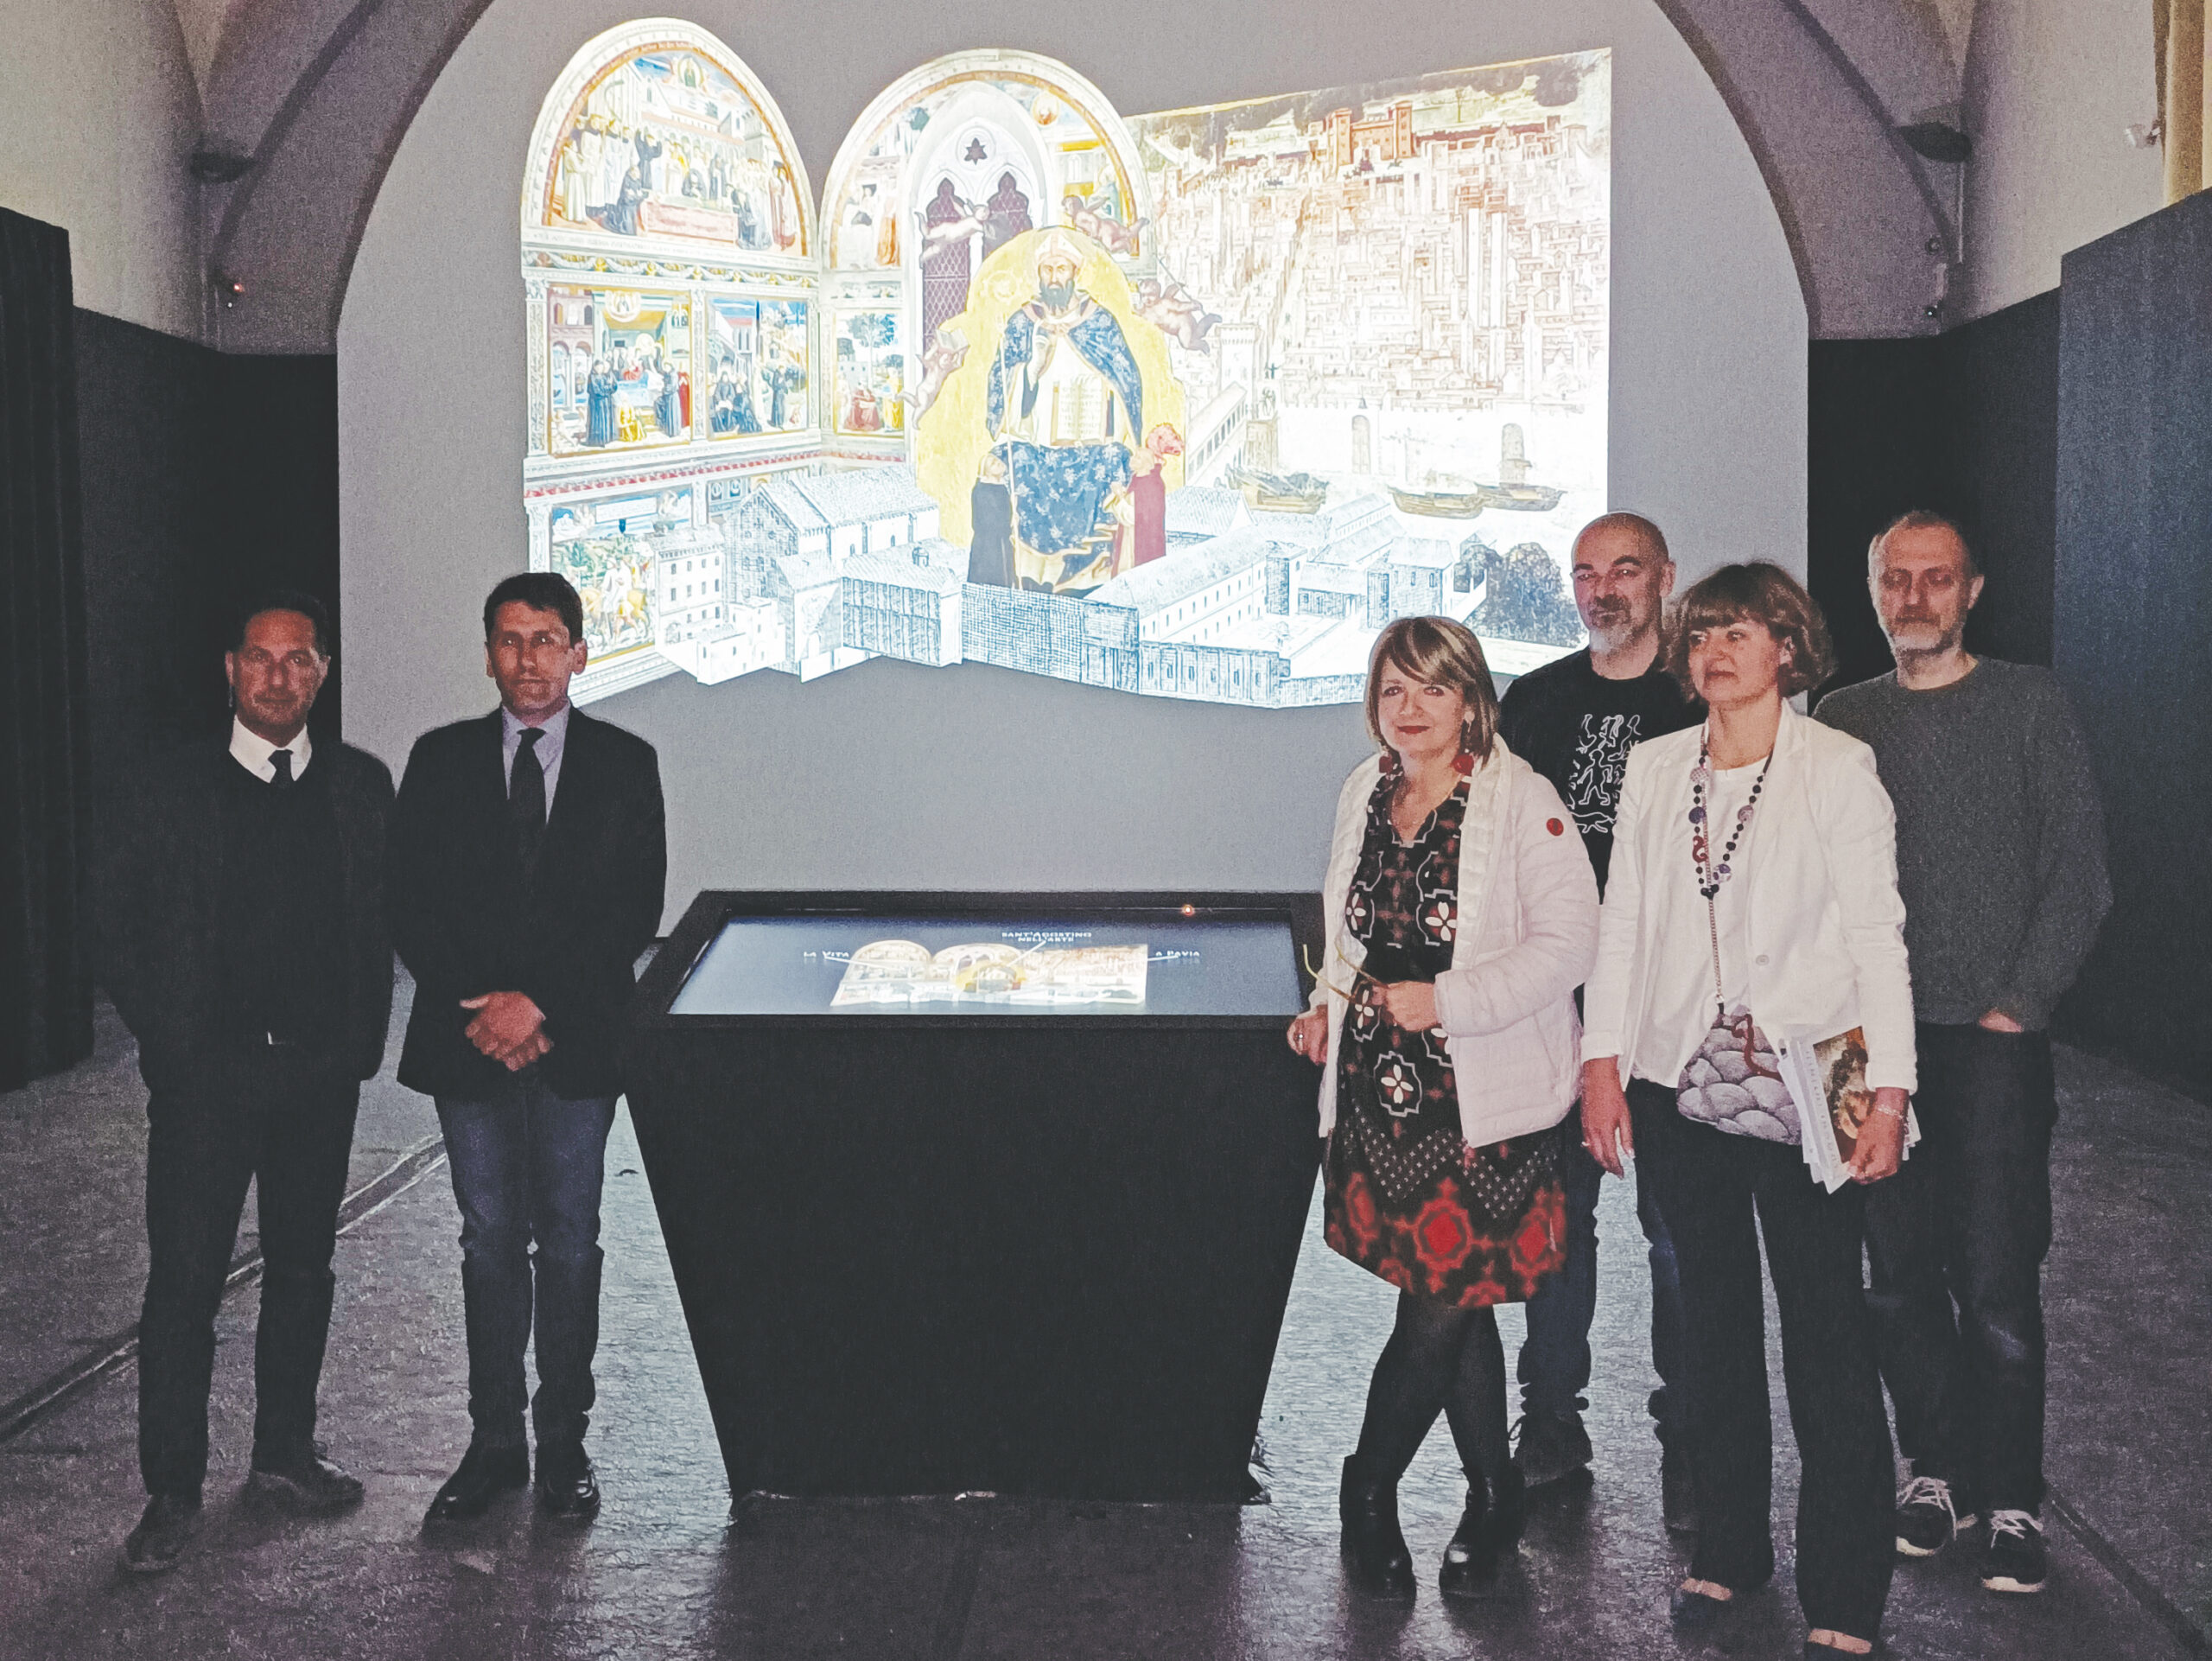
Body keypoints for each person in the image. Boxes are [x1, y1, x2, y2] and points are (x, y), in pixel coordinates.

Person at [1580, 563, 1911, 1657]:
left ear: (1787, 648)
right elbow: (1622, 922)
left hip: (1814, 1074)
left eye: (1741, 631)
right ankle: (1728, 1548)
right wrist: (1601, 1061)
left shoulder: (1837, 766)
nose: (1716, 651)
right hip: (1675, 1077)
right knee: (1708, 1324)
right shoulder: (1655, 765)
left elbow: (1877, 937)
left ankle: (1845, 1591)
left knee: (1825, 1329)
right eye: (1702, 634)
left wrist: (1890, 1091)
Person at [1816, 511, 2109, 1596]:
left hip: (1989, 1045)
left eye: (1936, 578)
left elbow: (2079, 872)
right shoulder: (1841, 718)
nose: (1914, 597)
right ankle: (1936, 1470)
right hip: (1867, 1048)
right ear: (1872, 589)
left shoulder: (2030, 703)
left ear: (1972, 590)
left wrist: (2014, 1007)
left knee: (1994, 1277)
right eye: (1895, 578)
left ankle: (2012, 1494)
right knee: (1894, 1278)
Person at [1287, 617, 1599, 1600]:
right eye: (1392, 690)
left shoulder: (1520, 798)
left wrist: (1448, 1001)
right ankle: (1494, 1491)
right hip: (1382, 1096)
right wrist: (1325, 1006)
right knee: (1454, 1301)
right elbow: (1351, 928)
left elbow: (1570, 943)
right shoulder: (1366, 788)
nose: (1409, 708)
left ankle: (1368, 1484)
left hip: (1484, 1102)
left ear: (1470, 699)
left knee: (1440, 1308)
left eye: (1431, 688)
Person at [99, 593, 396, 1574]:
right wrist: (172, 1039)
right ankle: (170, 1493)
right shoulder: (166, 788)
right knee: (185, 1285)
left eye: (298, 658)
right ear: (230, 669)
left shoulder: (361, 786)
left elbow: (379, 919)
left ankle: (283, 1456)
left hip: (318, 1075)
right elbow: (117, 923)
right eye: (260, 658)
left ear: (322, 672)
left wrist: (355, 1045)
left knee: (304, 1271)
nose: (279, 676)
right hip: (206, 1083)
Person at [392, 573, 665, 1526]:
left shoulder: (626, 763)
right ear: (488, 655)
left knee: (572, 1240)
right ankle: (494, 1442)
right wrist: (490, 1010)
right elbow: (409, 899)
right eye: (509, 640)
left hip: (577, 1038)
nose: (528, 659)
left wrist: (538, 1003)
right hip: (467, 1038)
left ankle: (564, 1441)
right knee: (487, 1240)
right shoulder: (439, 759)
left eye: (546, 639)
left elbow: (633, 906)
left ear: (579, 653)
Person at [1493, 512, 1701, 1521]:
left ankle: (1692, 1435)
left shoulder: (1701, 696)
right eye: (1585, 572)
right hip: (1556, 1007)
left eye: (1624, 569)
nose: (1602, 589)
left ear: (1664, 577)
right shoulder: (1532, 703)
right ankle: (1548, 1419)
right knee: (1556, 1225)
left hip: (1673, 1008)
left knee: (1678, 1231)